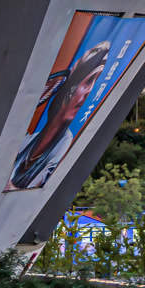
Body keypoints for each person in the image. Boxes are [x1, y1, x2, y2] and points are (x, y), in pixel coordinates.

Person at [9, 42, 112, 189]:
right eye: (88, 81)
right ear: (70, 86)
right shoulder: (26, 140)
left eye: (92, 84)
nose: (87, 93)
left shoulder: (64, 142)